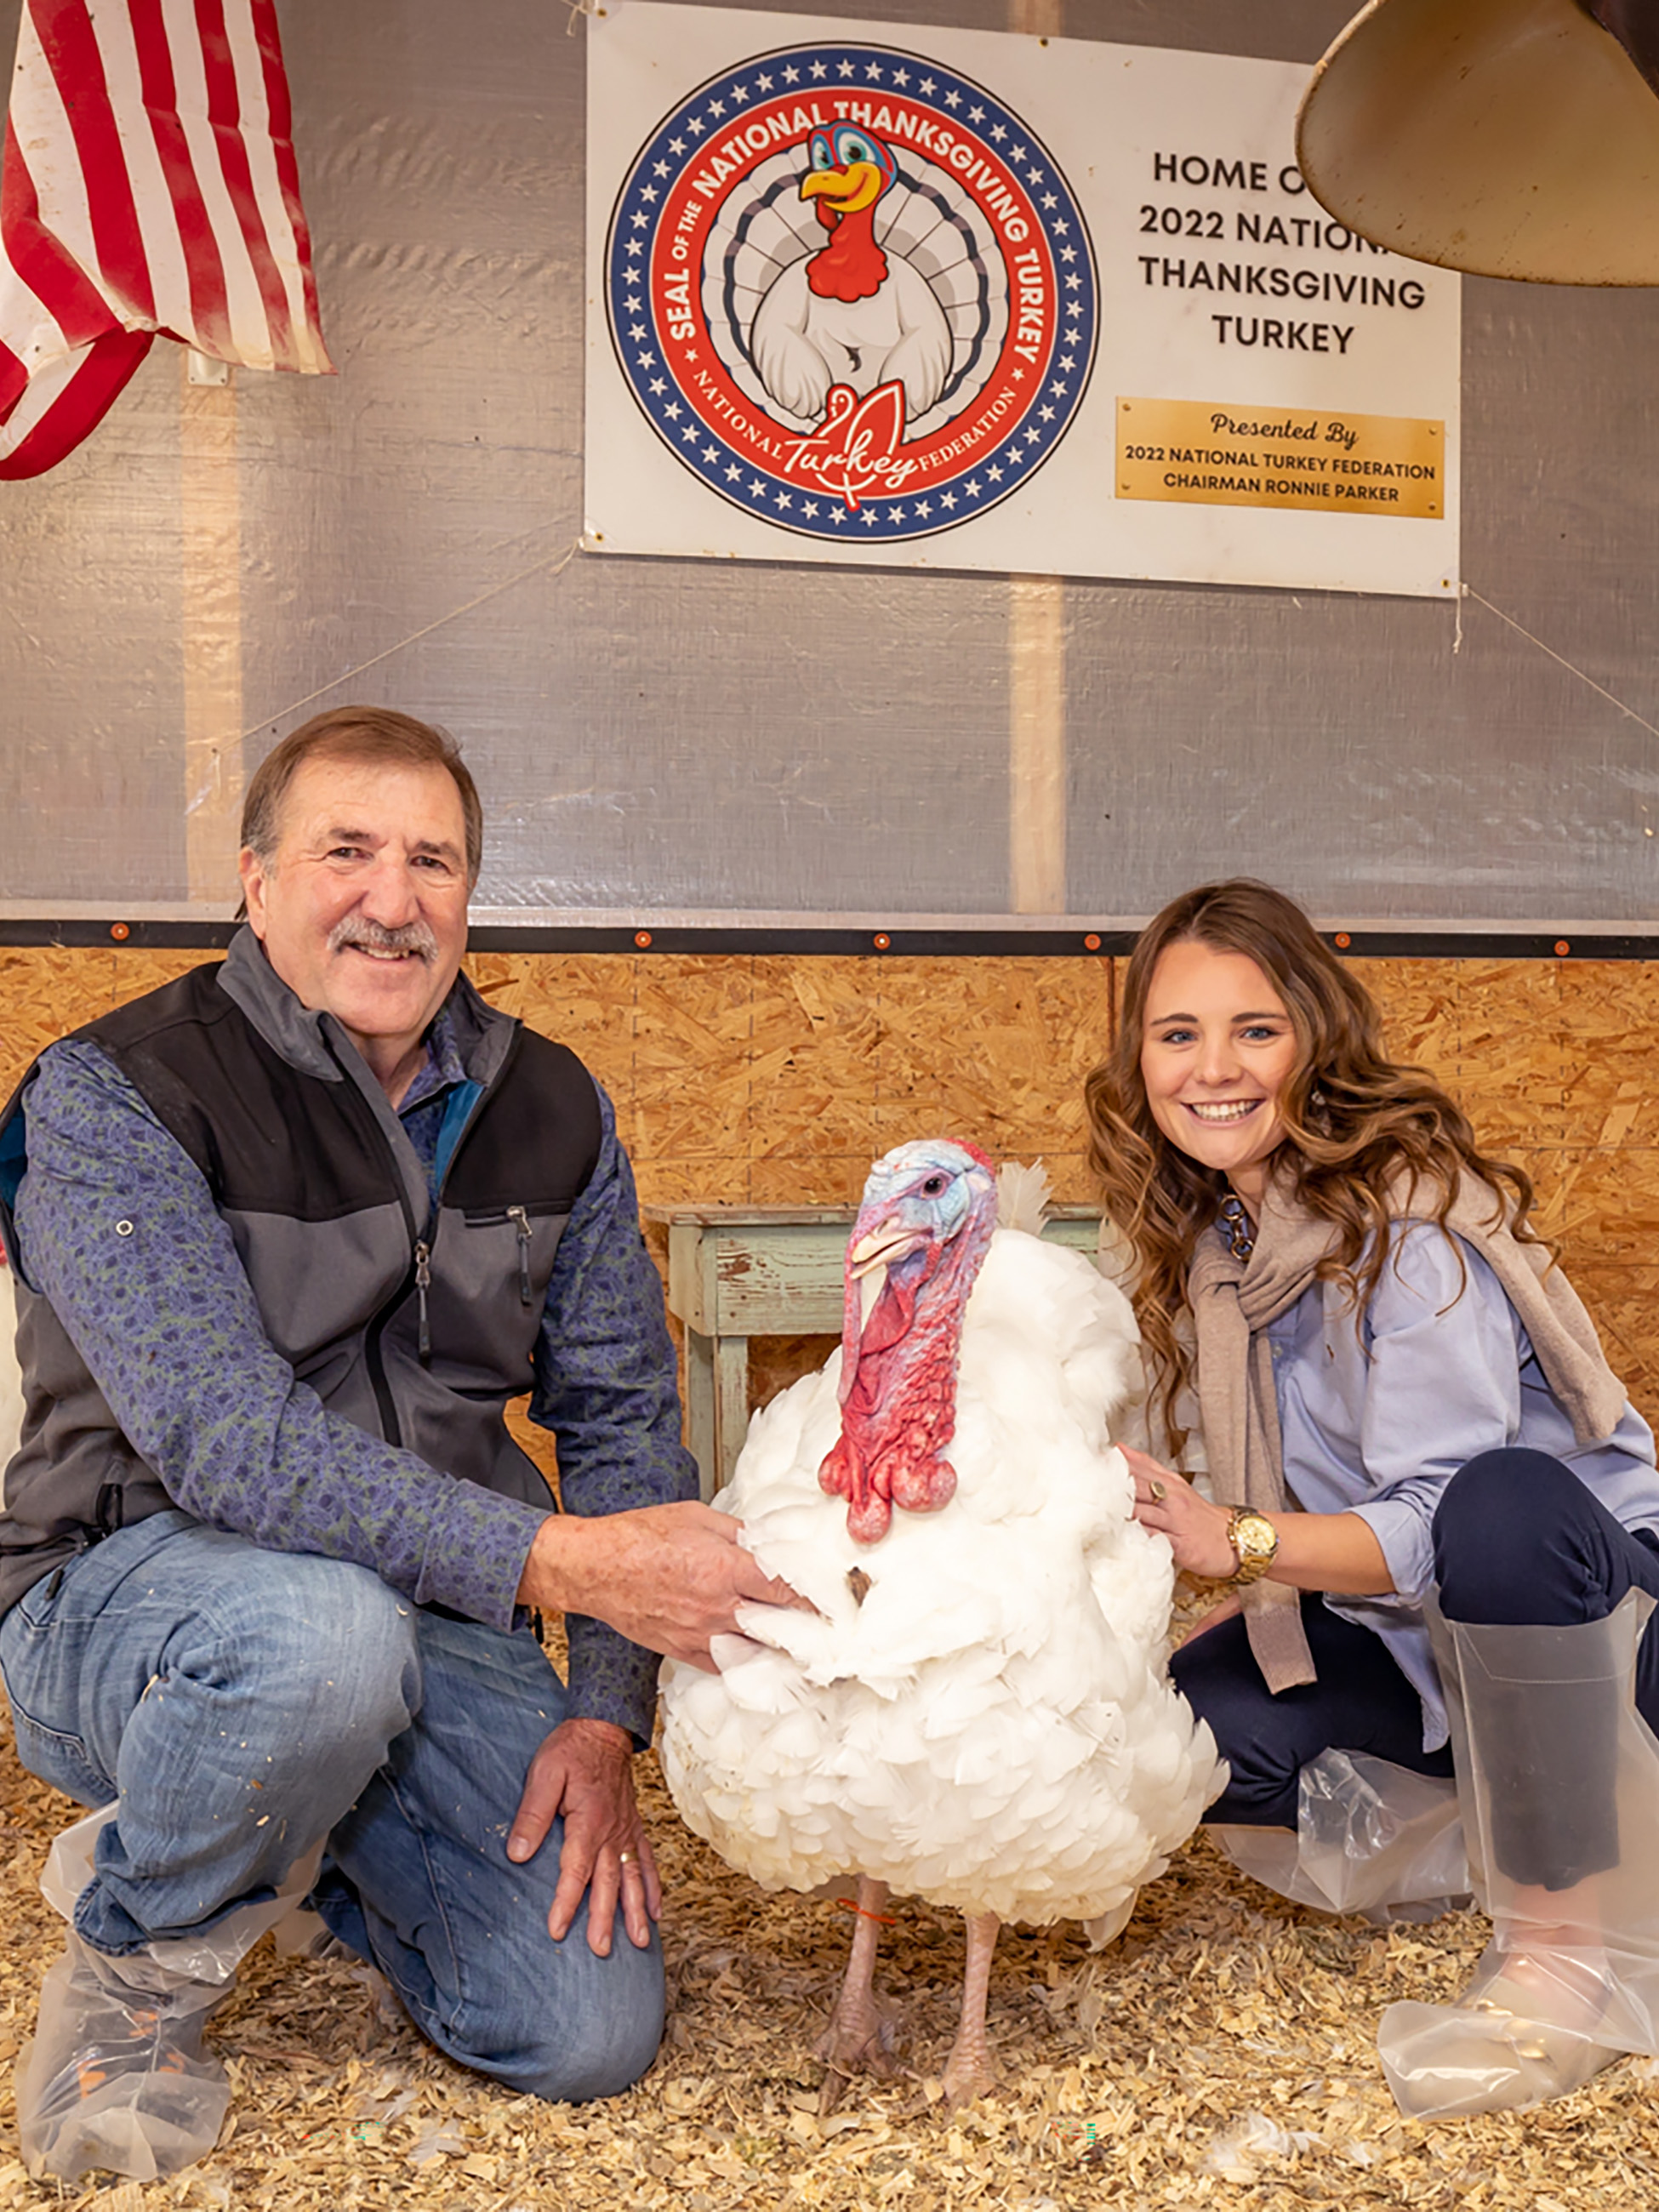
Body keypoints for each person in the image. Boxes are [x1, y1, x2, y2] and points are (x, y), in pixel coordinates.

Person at [0, 705, 801, 2181]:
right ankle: (136, 1973)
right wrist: (566, 1565)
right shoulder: (115, 1093)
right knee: (319, 1640)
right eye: (345, 852)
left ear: (470, 897)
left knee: (582, 2033)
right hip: (136, 1600)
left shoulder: (549, 1105)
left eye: (432, 860)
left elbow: (619, 1413)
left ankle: (296, 1842)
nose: (393, 896)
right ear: (254, 881)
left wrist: (602, 1714)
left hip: (434, 1611)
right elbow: (225, 1442)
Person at [1086, 878, 1659, 2119]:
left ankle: (1562, 1945)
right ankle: (1510, 1814)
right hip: (1418, 1638)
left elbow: (1434, 1518)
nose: (1212, 1068)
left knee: (1496, 1504)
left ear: (1314, 1038)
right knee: (1200, 1736)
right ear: (1137, 1062)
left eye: (1254, 1029)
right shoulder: (1214, 1251)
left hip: (1589, 1600)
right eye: (1175, 1034)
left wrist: (1230, 1539)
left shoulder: (1413, 1227)